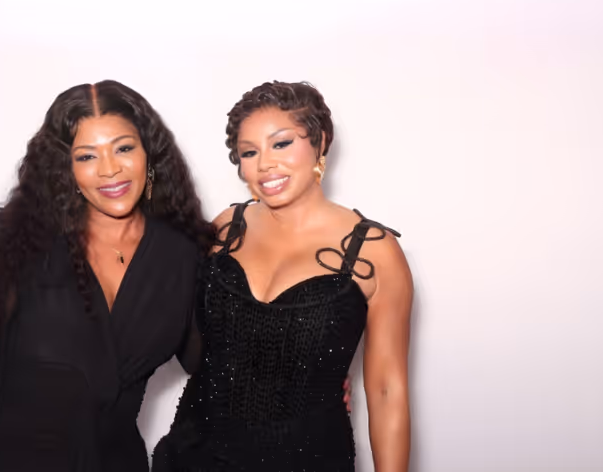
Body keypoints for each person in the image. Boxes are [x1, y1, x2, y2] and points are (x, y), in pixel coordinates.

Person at [0, 80, 213, 472]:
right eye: (87, 156)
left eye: (124, 148)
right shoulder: (16, 247)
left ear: (150, 152)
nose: (110, 169)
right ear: (66, 168)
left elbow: (216, 369)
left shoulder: (180, 254)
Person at [154, 81, 414, 471]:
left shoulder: (374, 252)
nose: (264, 165)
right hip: (195, 455)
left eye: (281, 144)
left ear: (320, 141)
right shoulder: (225, 228)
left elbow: (386, 390)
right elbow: (180, 334)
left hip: (309, 459)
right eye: (248, 152)